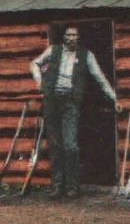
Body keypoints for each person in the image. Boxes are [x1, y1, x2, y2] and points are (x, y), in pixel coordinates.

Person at [31, 25, 121, 199]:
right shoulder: (53, 50)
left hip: (70, 103)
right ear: (64, 36)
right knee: (55, 146)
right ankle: (58, 187)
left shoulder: (86, 55)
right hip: (51, 101)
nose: (72, 38)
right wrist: (39, 81)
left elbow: (100, 78)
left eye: (75, 35)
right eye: (69, 35)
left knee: (70, 146)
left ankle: (73, 187)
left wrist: (114, 98)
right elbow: (35, 63)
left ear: (79, 38)